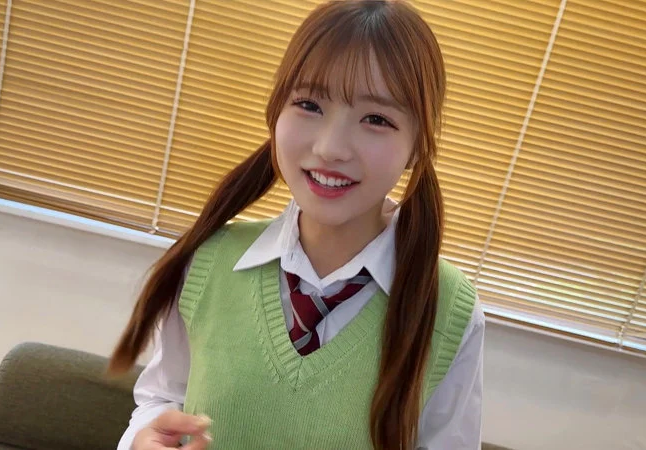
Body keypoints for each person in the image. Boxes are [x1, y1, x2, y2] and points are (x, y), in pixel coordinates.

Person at [109, 1, 485, 449]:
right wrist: (143, 439)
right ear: (275, 111)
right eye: (309, 104)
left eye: (376, 119)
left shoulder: (449, 311)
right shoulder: (208, 262)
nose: (330, 148)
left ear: (419, 144)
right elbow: (163, 397)